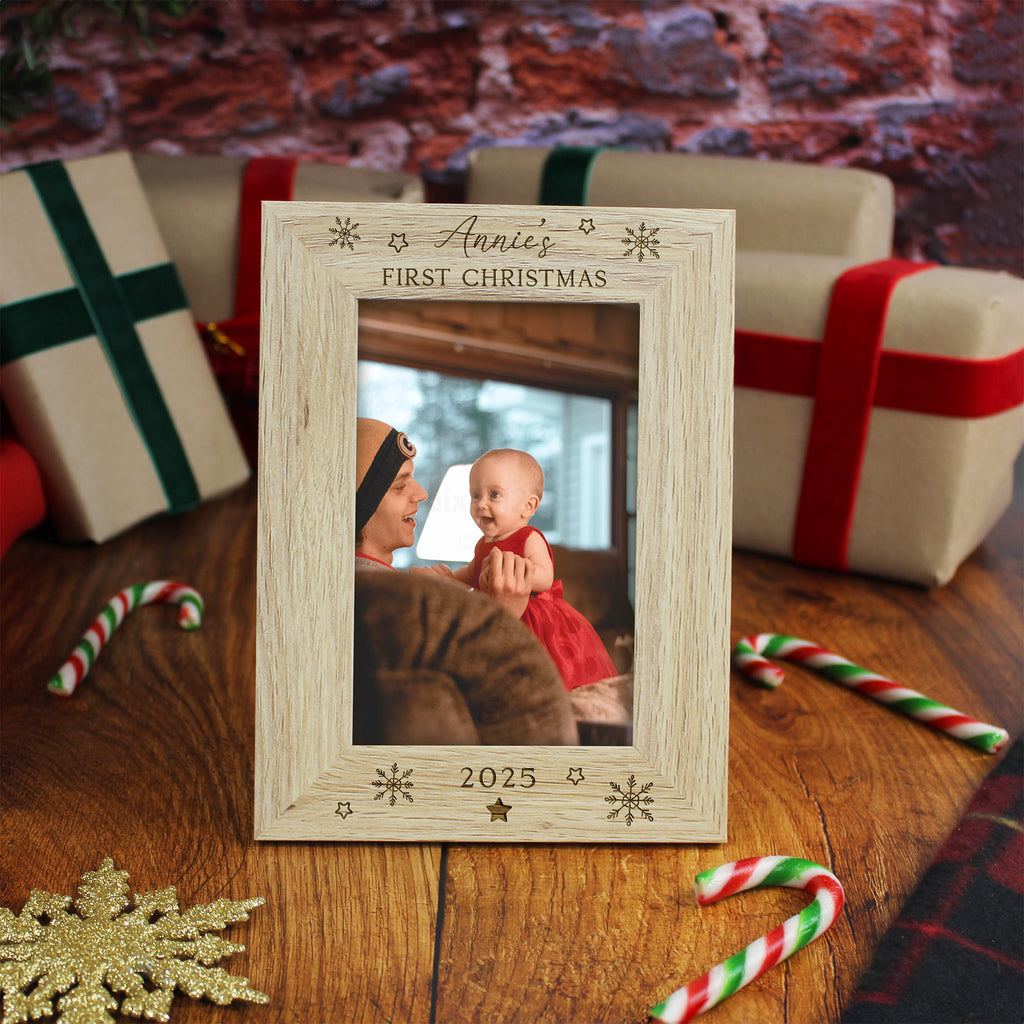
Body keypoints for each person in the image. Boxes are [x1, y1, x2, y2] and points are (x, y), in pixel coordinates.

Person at [420, 448, 618, 690]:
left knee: (545, 676)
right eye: (474, 495)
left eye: (494, 495)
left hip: (536, 617)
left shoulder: (529, 537)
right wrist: (451, 579)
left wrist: (514, 574)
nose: (481, 504)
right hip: (494, 615)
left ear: (528, 506)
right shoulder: (483, 544)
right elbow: (473, 573)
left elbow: (545, 578)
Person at [354, 419, 534, 617]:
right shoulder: (384, 597)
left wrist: (449, 591)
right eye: (400, 486)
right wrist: (504, 612)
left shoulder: (382, 586)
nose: (422, 493)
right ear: (364, 506)